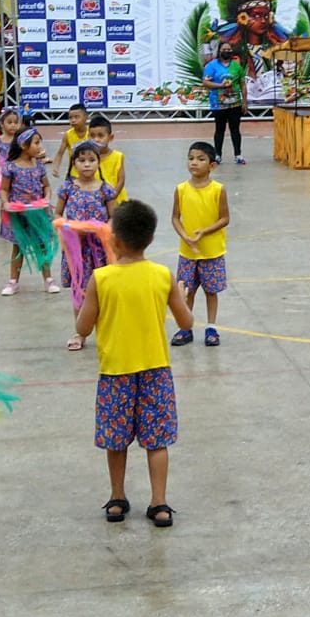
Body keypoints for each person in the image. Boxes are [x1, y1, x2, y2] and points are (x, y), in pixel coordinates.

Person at [74, 199, 193, 527]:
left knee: (116, 439)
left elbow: (82, 329)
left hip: (115, 372)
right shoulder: (163, 275)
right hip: (156, 370)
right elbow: (186, 323)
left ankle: (117, 497)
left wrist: (87, 303)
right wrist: (180, 293)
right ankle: (159, 503)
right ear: (151, 240)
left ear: (114, 240)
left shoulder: (101, 278)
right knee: (157, 440)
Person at [55, 141, 117, 350]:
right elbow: (57, 215)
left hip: (99, 250)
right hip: (77, 250)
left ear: (99, 163)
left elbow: (112, 217)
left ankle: (107, 330)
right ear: (74, 163)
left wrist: (101, 230)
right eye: (81, 161)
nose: (87, 165)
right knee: (79, 289)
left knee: (103, 290)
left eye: (91, 160)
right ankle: (80, 332)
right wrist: (69, 228)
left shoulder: (106, 190)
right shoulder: (67, 188)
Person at [170, 142, 231, 348]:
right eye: (191, 158)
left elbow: (224, 218)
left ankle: (211, 327)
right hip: (187, 253)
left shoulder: (218, 190)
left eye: (200, 159)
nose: (194, 163)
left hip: (212, 251)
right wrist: (184, 235)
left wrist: (204, 232)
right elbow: (176, 218)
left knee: (211, 291)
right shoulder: (181, 189)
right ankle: (185, 328)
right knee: (187, 291)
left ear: (212, 166)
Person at [0, 128, 61, 296]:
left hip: (37, 213)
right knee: (18, 247)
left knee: (42, 245)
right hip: (19, 215)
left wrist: (46, 198)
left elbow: (46, 186)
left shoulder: (39, 166)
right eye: (36, 143)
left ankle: (48, 279)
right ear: (23, 146)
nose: (40, 146)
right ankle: (13, 281)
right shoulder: (10, 167)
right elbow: (4, 189)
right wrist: (6, 203)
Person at [203, 41, 248, 165]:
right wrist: (220, 86)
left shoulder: (237, 66)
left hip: (235, 104)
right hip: (218, 104)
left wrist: (245, 102)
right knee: (219, 130)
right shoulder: (211, 66)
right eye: (224, 49)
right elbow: (206, 83)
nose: (226, 51)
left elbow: (243, 85)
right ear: (219, 51)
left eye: (229, 49)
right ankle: (217, 155)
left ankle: (238, 155)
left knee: (235, 129)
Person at [78, 116, 126, 203]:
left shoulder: (118, 156)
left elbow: (121, 180)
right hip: (94, 201)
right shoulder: (86, 159)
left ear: (110, 137)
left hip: (115, 200)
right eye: (92, 136)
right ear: (88, 137)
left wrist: (112, 197)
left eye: (101, 136)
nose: (96, 139)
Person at [52, 103, 89, 178]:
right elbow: (60, 153)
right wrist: (56, 167)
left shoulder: (92, 132)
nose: (73, 120)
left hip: (91, 173)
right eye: (70, 118)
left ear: (86, 117)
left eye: (76, 117)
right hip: (73, 174)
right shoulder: (67, 135)